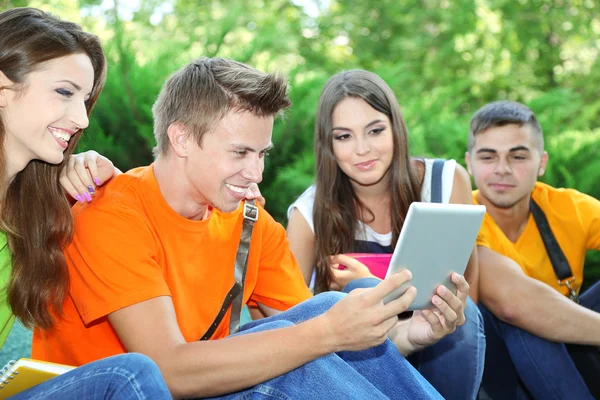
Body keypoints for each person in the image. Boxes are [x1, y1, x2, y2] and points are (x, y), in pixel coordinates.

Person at [32, 57, 469, 399]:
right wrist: (327, 332)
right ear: (181, 138)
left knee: (336, 304)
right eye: (240, 152)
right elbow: (167, 370)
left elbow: (323, 340)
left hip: (203, 385)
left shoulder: (249, 219)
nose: (255, 173)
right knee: (311, 342)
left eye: (261, 154)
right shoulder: (110, 211)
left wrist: (408, 335)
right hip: (125, 389)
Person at [0, 7, 171, 399]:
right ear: (3, 90)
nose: (82, 119)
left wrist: (74, 176)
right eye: (64, 92)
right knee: (131, 376)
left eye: (85, 99)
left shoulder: (32, 209)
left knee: (128, 374)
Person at [285, 70, 485, 399]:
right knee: (363, 290)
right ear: (328, 144)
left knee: (462, 312)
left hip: (445, 346)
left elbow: (467, 284)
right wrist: (367, 285)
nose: (362, 149)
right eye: (344, 136)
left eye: (375, 130)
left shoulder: (446, 181)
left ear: (395, 129)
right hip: (359, 364)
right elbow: (291, 317)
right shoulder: (309, 212)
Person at [465, 100, 600, 399]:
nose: (502, 169)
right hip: (499, 368)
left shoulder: (568, 207)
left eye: (518, 156)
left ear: (542, 162)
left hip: (573, 346)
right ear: (469, 164)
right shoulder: (460, 216)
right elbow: (514, 305)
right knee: (524, 321)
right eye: (488, 157)